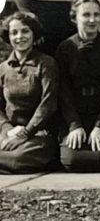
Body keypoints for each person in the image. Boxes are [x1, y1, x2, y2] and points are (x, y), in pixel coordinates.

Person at [56, 0, 100, 172]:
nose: (92, 20)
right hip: (75, 115)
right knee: (73, 161)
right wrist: (74, 125)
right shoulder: (65, 48)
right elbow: (63, 91)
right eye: (86, 15)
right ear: (74, 18)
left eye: (96, 15)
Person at [0, 12, 59, 174]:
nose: (20, 37)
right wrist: (7, 130)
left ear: (34, 33)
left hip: (38, 134)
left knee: (18, 159)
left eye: (25, 31)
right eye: (14, 32)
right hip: (10, 133)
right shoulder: (3, 68)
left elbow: (48, 104)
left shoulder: (46, 64)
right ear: (8, 36)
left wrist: (25, 133)